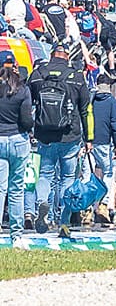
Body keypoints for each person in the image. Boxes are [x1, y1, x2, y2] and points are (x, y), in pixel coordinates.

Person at [29, 44, 87, 237]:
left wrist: (30, 130)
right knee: (67, 178)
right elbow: (87, 109)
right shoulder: (76, 76)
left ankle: (42, 204)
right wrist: (90, 138)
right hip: (70, 136)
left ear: (51, 54)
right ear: (67, 56)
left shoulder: (38, 74)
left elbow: (28, 104)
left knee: (44, 175)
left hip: (44, 135)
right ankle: (64, 221)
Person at [0, 54, 31, 244]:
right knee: (16, 189)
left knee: (0, 188)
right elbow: (26, 120)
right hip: (18, 139)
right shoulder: (22, 89)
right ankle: (16, 234)